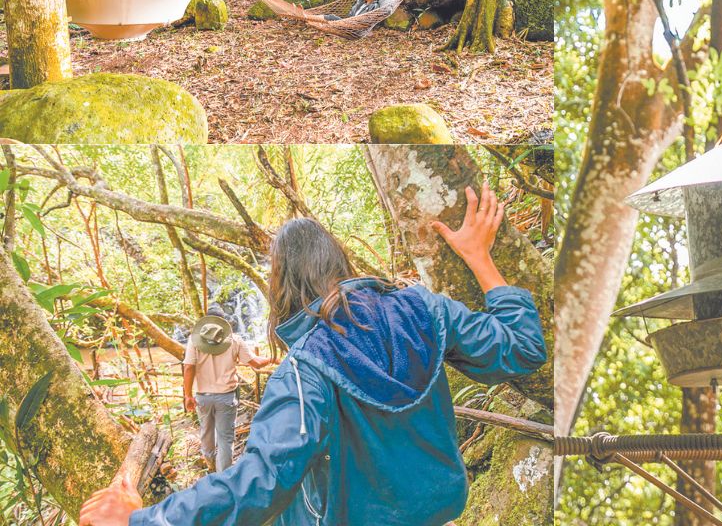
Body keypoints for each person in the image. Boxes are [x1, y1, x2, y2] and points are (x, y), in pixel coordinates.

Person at [80, 184, 546, 526]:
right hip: (435, 510)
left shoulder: (305, 372)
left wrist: (140, 521)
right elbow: (523, 347)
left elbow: (261, 480)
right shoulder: (423, 307)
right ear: (341, 261)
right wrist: (479, 258)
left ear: (281, 285)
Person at [183, 307, 274, 472]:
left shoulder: (193, 341)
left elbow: (189, 368)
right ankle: (223, 478)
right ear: (223, 324)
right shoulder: (234, 340)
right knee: (225, 439)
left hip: (203, 396)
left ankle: (210, 465)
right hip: (226, 397)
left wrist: (187, 395)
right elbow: (256, 363)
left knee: (206, 432)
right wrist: (273, 358)